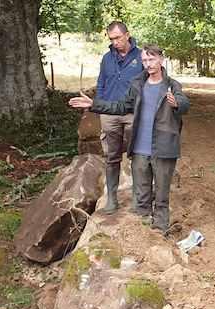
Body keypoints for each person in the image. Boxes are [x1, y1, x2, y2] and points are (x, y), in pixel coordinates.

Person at [69, 44, 190, 234]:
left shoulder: (172, 85)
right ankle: (142, 233)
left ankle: (159, 230)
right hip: (140, 148)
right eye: (144, 60)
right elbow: (121, 106)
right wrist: (95, 104)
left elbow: (184, 103)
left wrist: (177, 104)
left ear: (161, 60)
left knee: (161, 195)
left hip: (164, 147)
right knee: (141, 196)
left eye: (151, 60)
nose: (148, 64)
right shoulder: (137, 84)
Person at [93, 21, 144, 214]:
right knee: (111, 157)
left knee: (137, 156)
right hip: (109, 114)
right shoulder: (107, 58)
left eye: (118, 38)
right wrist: (99, 107)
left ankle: (138, 200)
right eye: (111, 39)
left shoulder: (141, 57)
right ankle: (112, 200)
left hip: (132, 113)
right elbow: (101, 84)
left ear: (127, 35)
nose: (115, 42)